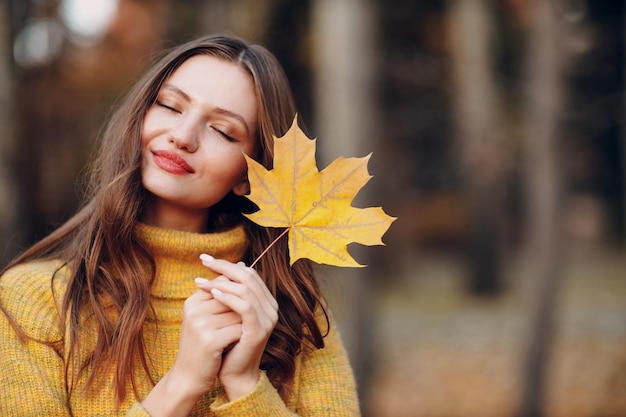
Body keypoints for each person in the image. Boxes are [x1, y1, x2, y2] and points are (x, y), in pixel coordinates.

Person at [0, 33, 360, 416]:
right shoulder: (35, 302)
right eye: (171, 106)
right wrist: (182, 384)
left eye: (222, 131)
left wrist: (245, 384)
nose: (183, 136)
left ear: (250, 175)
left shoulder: (291, 317)